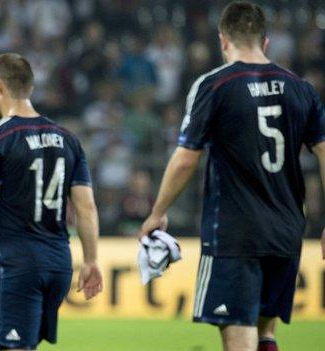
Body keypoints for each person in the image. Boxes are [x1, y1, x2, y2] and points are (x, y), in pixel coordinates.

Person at [138, 2, 325, 351]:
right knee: (266, 333)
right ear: (265, 42)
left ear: (223, 40)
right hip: (286, 230)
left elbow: (184, 160)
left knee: (238, 333)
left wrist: (157, 211)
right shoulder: (301, 89)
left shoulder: (215, 84)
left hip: (235, 233)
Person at [0, 53, 104, 351]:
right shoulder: (67, 138)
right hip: (58, 263)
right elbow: (86, 208)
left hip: (16, 262)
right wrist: (90, 260)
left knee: (11, 346)